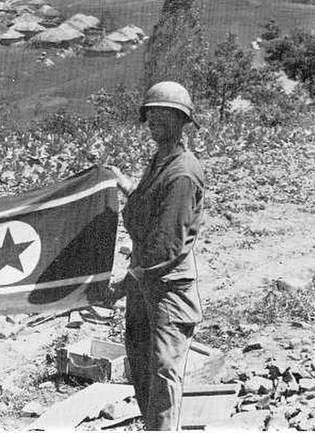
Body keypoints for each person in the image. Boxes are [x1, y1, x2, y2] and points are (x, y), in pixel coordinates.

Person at [103, 81, 205, 431]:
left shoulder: (183, 172)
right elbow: (148, 205)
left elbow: (167, 245)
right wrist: (123, 183)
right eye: (151, 115)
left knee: (163, 372)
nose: (155, 122)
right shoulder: (161, 161)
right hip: (145, 281)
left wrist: (122, 285)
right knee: (141, 363)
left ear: (181, 121)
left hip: (167, 287)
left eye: (165, 115)